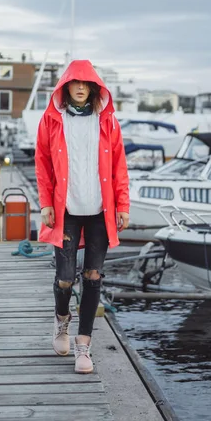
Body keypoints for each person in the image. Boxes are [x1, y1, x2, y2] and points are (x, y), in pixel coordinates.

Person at [35, 59, 130, 374]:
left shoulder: (107, 122)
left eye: (85, 83)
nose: (79, 87)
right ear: (65, 87)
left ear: (92, 88)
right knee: (65, 278)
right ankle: (61, 320)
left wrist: (123, 205)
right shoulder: (52, 121)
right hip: (66, 211)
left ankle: (83, 347)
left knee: (92, 277)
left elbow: (119, 168)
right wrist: (46, 203)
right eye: (73, 82)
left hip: (100, 212)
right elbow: (43, 164)